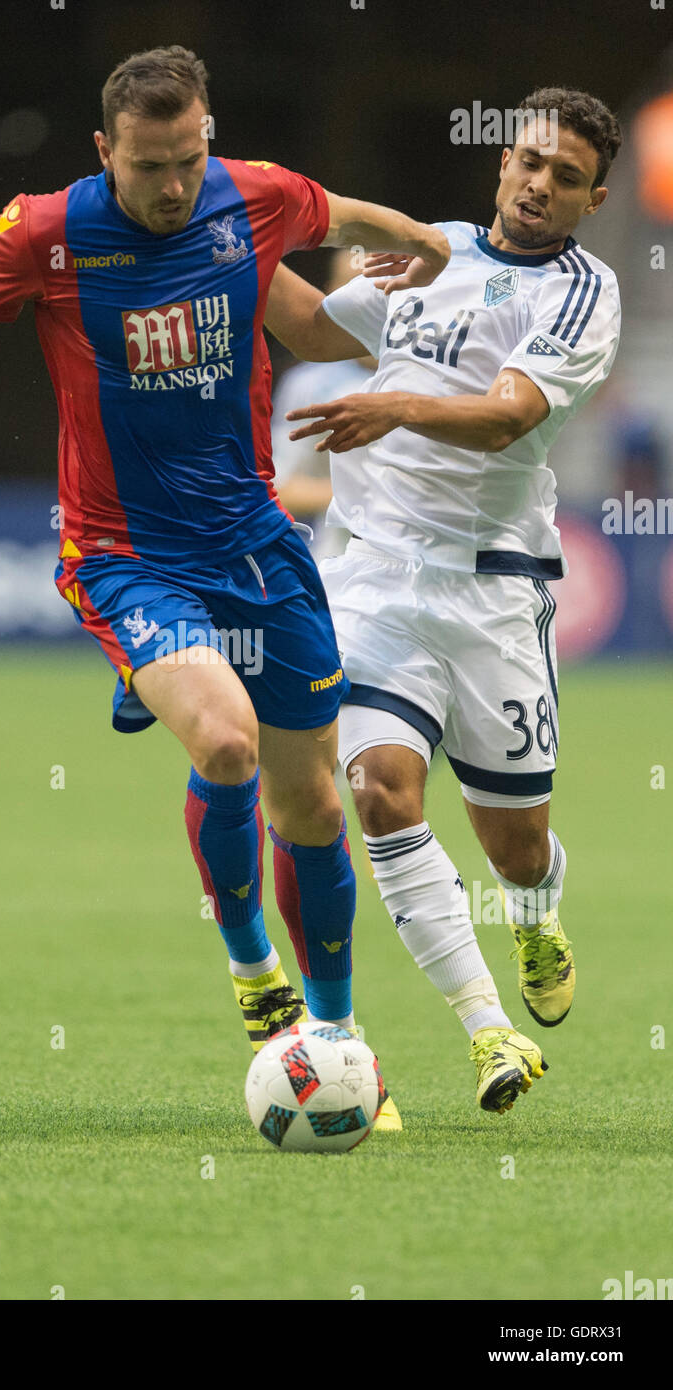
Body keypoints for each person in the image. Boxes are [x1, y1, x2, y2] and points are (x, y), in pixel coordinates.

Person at [0, 46, 449, 1128]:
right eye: (151, 165)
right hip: (122, 552)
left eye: (188, 159)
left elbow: (345, 219)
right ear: (105, 149)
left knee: (311, 803)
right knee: (226, 744)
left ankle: (338, 1033)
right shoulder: (47, 231)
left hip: (256, 540)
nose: (172, 187)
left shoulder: (247, 194)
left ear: (208, 136)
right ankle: (259, 980)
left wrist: (435, 250)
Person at [264, 87, 621, 1113]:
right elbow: (314, 328)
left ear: (592, 198)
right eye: (527, 162)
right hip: (371, 577)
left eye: (563, 176)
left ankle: (535, 912)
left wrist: (396, 405)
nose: (537, 185)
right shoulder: (432, 249)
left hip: (496, 595)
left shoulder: (582, 293)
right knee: (378, 792)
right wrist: (221, 240)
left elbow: (508, 417)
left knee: (514, 844)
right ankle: (485, 1030)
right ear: (502, 163)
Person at [271, 250, 377, 563]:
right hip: (337, 567)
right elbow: (280, 490)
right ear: (328, 296)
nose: (368, 301)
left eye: (380, 287)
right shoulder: (312, 385)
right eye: (353, 289)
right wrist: (369, 494)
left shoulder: (434, 374)